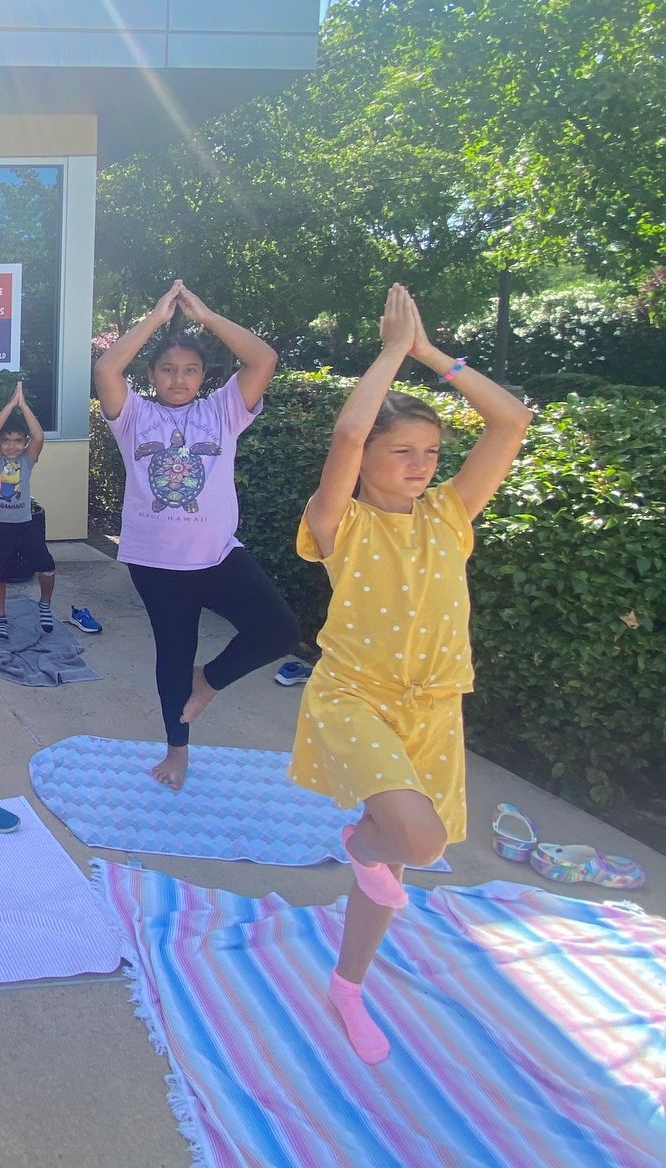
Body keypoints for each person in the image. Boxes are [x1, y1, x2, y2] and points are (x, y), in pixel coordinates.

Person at [294, 284, 532, 1065]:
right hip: (355, 699)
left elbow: (511, 420)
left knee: (393, 864)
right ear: (368, 463)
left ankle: (349, 986)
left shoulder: (449, 515)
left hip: (434, 711)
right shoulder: (342, 520)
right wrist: (393, 352)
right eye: (404, 452)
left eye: (430, 453)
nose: (422, 466)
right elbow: (345, 435)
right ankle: (363, 847)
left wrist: (434, 355)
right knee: (419, 845)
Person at [93, 280, 299, 791]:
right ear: (152, 375)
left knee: (279, 631)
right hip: (156, 563)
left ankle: (209, 680)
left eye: (189, 370)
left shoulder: (221, 412)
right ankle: (176, 750)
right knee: (173, 652)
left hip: (217, 556)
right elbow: (105, 370)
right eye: (167, 369)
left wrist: (205, 316)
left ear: (204, 376)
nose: (178, 378)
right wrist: (157, 320)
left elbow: (263, 358)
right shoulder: (134, 416)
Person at [0, 381, 57, 634]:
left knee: (47, 567)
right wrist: (10, 404)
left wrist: (23, 405)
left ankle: (44, 605)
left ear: (24, 443)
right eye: (6, 441)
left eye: (17, 441)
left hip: (24, 524)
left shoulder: (27, 459)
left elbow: (39, 436)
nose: (11, 445)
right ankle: (1, 617)